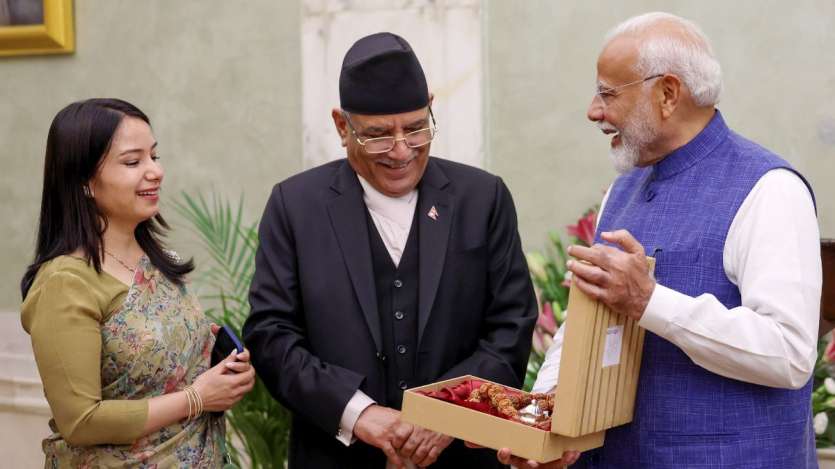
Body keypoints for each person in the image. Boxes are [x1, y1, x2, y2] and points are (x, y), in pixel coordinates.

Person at [496, 12, 822, 469]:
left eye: (608, 93)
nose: (593, 110)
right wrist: (548, 416)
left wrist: (650, 301)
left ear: (668, 94)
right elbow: (587, 325)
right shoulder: (623, 188)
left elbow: (788, 353)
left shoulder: (770, 189)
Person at [243, 32, 537, 468]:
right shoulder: (294, 206)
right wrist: (360, 414)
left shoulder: (483, 198)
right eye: (378, 136)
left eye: (417, 128)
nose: (401, 151)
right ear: (342, 126)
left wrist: (447, 413)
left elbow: (511, 326)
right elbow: (271, 335)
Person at [20, 98, 256, 467]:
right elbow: (80, 421)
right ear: (84, 182)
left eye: (154, 156)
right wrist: (197, 398)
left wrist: (221, 372)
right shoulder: (65, 283)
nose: (155, 172)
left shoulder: (159, 263)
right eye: (133, 162)